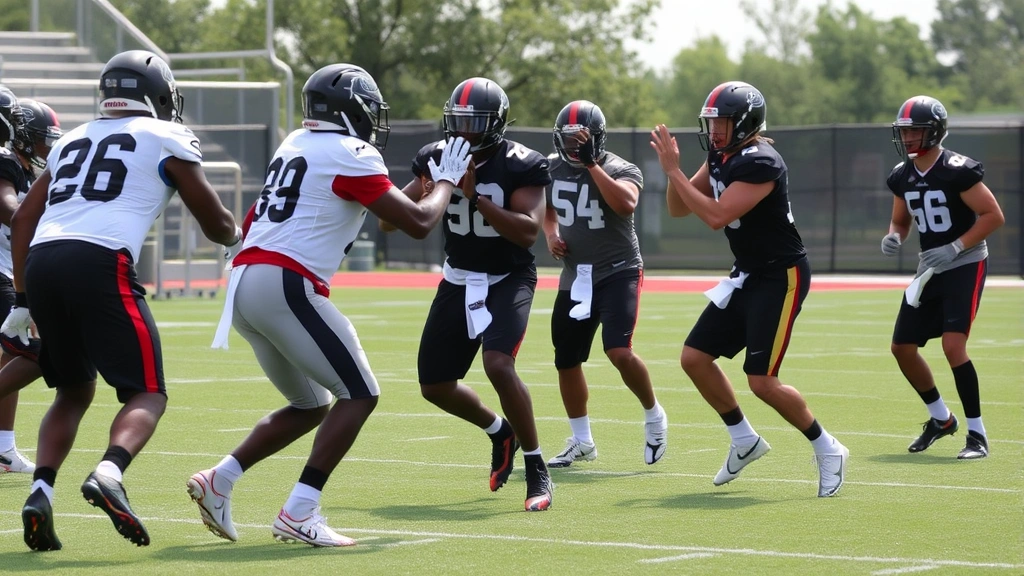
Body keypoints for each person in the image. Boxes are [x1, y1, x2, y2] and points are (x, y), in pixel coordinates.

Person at [187, 64, 471, 547]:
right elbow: (420, 223)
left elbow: (257, 216)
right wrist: (444, 181)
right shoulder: (351, 152)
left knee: (310, 404)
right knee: (359, 393)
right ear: (353, 110)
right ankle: (300, 510)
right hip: (286, 282)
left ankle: (222, 478)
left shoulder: (294, 143)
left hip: (243, 281)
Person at [1, 50, 241, 551]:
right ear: (156, 93)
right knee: (147, 392)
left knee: (72, 389)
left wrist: (23, 297)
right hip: (101, 261)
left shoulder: (71, 140)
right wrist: (236, 237)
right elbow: (214, 220)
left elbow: (23, 218)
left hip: (43, 259)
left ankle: (41, 490)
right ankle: (110, 471)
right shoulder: (166, 135)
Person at [649, 81, 848, 498]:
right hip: (748, 274)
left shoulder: (762, 161)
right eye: (712, 122)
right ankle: (744, 439)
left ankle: (827, 448)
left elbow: (717, 215)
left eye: (722, 122)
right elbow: (679, 207)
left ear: (744, 123)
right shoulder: (721, 155)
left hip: (781, 276)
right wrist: (677, 174)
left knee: (762, 381)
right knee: (695, 358)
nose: (715, 130)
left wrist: (671, 171)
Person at [381, 77, 554, 511]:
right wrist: (427, 187)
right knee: (434, 385)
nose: (461, 132)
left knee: (498, 364)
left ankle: (537, 467)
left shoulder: (522, 163)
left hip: (507, 278)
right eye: (456, 121)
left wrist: (474, 195)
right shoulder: (436, 156)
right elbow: (389, 222)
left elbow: (527, 232)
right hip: (459, 278)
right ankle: (501, 432)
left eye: (473, 123)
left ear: (494, 125)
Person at [542, 100, 667, 468]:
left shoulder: (618, 167)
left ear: (596, 140)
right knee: (566, 359)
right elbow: (545, 207)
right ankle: (581, 440)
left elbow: (626, 204)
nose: (572, 147)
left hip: (618, 269)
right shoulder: (551, 168)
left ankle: (654, 415)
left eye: (580, 140)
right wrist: (550, 234)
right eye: (567, 140)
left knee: (618, 350)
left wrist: (591, 163)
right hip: (575, 275)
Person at [882, 95, 1004, 459]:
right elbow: (901, 220)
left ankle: (977, 435)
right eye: (904, 131)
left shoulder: (957, 169)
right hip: (929, 267)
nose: (907, 138)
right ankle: (941, 418)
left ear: (933, 131)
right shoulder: (902, 174)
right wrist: (893, 236)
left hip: (964, 263)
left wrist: (955, 246)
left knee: (953, 347)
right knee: (902, 348)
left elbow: (992, 215)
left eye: (914, 131)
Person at [0, 90, 60, 474]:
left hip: (11, 272)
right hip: (2, 274)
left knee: (14, 352)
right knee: (37, 349)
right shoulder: (5, 160)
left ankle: (3, 446)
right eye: (41, 137)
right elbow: (9, 209)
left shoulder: (27, 170)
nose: (45, 147)